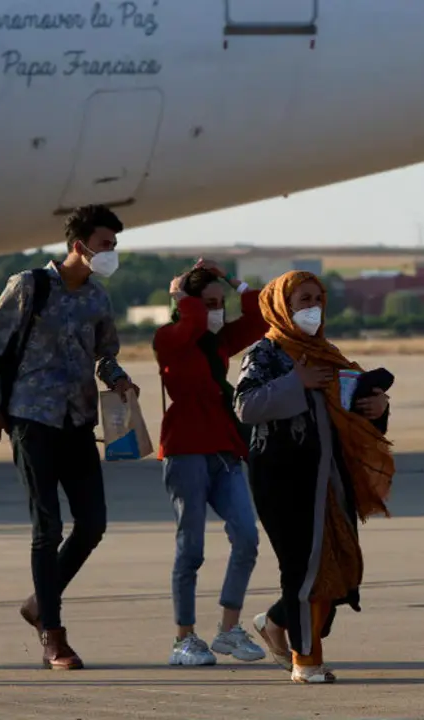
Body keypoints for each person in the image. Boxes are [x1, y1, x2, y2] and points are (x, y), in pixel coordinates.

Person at [0, 204, 138, 671]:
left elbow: (105, 355)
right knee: (47, 529)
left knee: (93, 523)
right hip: (31, 420)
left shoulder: (97, 299)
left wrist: (120, 379)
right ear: (79, 245)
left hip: (78, 420)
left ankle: (39, 601)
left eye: (114, 246)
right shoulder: (29, 286)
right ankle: (54, 635)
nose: (111, 253)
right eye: (106, 244)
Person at [233, 271, 394, 684]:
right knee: (304, 567)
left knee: (336, 568)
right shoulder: (264, 353)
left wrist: (376, 407)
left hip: (330, 476)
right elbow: (246, 406)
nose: (313, 308)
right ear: (281, 304)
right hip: (282, 480)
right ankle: (306, 661)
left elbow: (348, 405)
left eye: (318, 299)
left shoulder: (327, 352)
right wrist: (295, 382)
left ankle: (275, 621)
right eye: (303, 299)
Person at [153, 260, 269, 666]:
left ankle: (228, 631)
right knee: (192, 548)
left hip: (224, 448)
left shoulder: (219, 342)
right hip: (185, 449)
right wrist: (183, 294)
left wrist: (236, 281)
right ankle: (183, 638)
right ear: (188, 304)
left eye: (222, 303)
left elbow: (259, 316)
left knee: (247, 538)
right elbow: (191, 324)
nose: (219, 311)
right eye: (211, 304)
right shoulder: (170, 338)